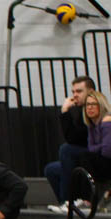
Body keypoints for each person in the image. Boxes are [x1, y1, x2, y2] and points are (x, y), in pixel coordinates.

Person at [44, 75, 95, 211]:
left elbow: (75, 139)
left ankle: (69, 201)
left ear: (90, 91)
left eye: (79, 91)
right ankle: (66, 204)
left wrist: (65, 112)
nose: (75, 95)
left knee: (66, 150)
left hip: (98, 153)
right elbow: (74, 137)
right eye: (73, 92)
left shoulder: (94, 108)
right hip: (84, 153)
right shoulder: (81, 110)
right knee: (51, 169)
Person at [78, 90, 111, 182]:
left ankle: (91, 190)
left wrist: (100, 147)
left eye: (94, 104)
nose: (90, 107)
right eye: (87, 104)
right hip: (103, 160)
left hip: (108, 161)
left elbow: (107, 151)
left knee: (86, 157)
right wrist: (101, 146)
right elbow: (90, 147)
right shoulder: (91, 124)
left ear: (102, 106)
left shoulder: (107, 121)